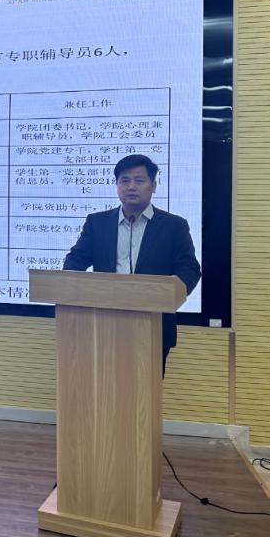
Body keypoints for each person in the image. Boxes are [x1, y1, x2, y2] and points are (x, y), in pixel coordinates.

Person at [62, 154, 201, 375]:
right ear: (117, 185)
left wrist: (170, 296)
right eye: (124, 180)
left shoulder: (174, 226)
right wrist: (72, 287)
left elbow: (189, 269)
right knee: (103, 385)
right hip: (103, 324)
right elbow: (75, 260)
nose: (131, 187)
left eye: (139, 180)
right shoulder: (97, 223)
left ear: (153, 186)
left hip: (154, 324)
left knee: (147, 389)